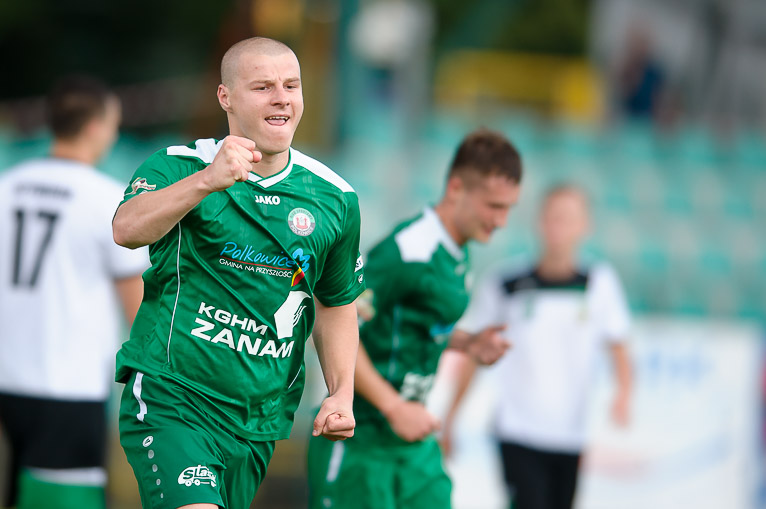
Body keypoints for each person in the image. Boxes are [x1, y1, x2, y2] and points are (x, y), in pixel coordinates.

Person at [111, 37, 365, 509]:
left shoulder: (335, 197)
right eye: (263, 87)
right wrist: (207, 181)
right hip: (174, 396)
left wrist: (341, 392)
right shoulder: (179, 166)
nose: (281, 98)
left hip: (259, 420)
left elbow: (335, 302)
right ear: (225, 97)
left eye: (291, 85)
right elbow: (125, 229)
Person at [307, 128, 523, 509]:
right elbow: (340, 327)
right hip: (360, 440)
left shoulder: (457, 249)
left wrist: (468, 343)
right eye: (494, 206)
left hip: (411, 444)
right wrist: (393, 407)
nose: (502, 220)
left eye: (508, 208)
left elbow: (415, 324)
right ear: (456, 188)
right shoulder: (406, 252)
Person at [0, 76, 148, 509]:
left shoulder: (7, 185)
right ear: (96, 126)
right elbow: (138, 309)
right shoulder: (107, 200)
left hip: (7, 379)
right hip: (68, 386)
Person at [443, 185, 633, 509]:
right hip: (517, 429)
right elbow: (475, 352)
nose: (558, 225)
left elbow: (619, 344)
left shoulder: (599, 283)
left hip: (571, 433)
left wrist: (624, 393)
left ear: (585, 225)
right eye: (552, 216)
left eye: (568, 218)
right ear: (539, 221)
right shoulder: (505, 283)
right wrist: (451, 416)